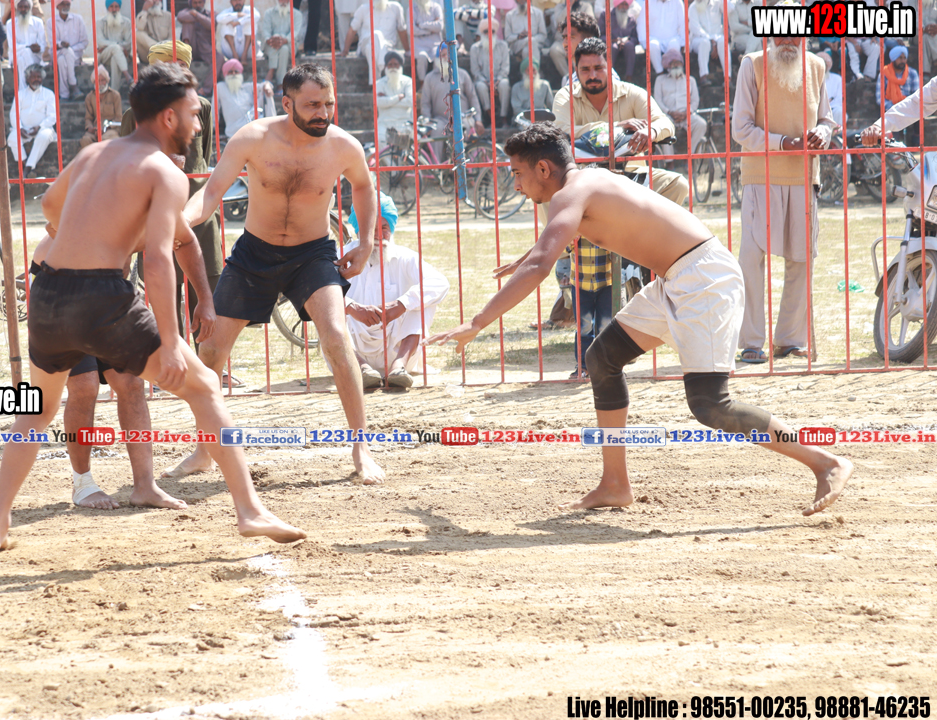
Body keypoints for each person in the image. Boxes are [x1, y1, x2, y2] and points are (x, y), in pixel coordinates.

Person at [427, 122, 853, 517]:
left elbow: (542, 264)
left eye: (518, 174)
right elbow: (557, 240)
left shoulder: (571, 192)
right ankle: (615, 484)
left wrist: (477, 323)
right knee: (602, 359)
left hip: (702, 279)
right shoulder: (585, 182)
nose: (516, 185)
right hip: (678, 277)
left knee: (710, 404)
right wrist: (529, 257)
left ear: (543, 168)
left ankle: (824, 462)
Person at [0, 63, 305, 552]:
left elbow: (49, 205)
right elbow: (157, 260)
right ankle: (250, 511)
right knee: (204, 385)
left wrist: (89, 231)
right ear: (169, 117)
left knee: (35, 413)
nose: (199, 124)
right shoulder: (165, 172)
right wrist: (170, 342)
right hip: (101, 297)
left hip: (48, 293)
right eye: (194, 113)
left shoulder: (93, 153)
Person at [173, 64, 386, 485]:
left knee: (336, 337)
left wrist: (365, 243)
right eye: (312, 105)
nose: (322, 113)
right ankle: (204, 449)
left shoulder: (342, 145)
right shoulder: (252, 138)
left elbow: (363, 186)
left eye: (328, 104)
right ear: (287, 103)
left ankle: (361, 448)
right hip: (255, 253)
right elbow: (211, 193)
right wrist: (179, 220)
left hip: (313, 254)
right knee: (210, 349)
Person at [27, 234, 203, 511]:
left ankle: (145, 486)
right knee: (85, 386)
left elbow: (183, 235)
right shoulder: (91, 207)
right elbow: (61, 230)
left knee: (130, 383)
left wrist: (203, 297)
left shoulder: (150, 211)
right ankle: (83, 484)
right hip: (64, 294)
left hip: (112, 295)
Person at [119, 40, 230, 394]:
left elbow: (203, 157)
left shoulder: (202, 108)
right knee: (162, 287)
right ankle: (170, 365)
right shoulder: (134, 114)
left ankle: (210, 367)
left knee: (205, 284)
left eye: (176, 67)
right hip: (153, 210)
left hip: (195, 207)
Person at [732, 35, 833, 364]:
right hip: (760, 175)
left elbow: (827, 119)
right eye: (781, 33)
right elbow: (740, 129)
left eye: (795, 34)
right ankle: (751, 341)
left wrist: (823, 133)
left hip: (804, 175)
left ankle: (789, 340)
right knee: (751, 258)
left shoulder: (816, 66)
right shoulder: (752, 65)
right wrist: (783, 143)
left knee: (801, 259)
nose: (788, 40)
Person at [553, 38, 688, 205]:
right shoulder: (565, 96)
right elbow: (560, 131)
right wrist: (615, 126)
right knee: (549, 189)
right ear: (576, 70)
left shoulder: (633, 93)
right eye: (585, 70)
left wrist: (651, 131)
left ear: (609, 66)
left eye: (598, 68)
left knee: (678, 185)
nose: (592, 75)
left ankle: (645, 222)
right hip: (582, 178)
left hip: (631, 177)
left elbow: (665, 123)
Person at [344, 193, 449, 388]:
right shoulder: (341, 256)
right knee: (326, 310)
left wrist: (401, 304)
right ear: (359, 230)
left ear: (391, 229)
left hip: (395, 347)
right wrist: (352, 308)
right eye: (371, 229)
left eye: (384, 228)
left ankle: (398, 368)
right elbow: (318, 292)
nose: (378, 235)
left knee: (420, 299)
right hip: (349, 351)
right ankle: (361, 368)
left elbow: (441, 283)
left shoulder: (405, 257)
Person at [8, 64, 59, 179]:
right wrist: (20, 128)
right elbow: (13, 114)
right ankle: (24, 162)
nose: (36, 79)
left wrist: (39, 127)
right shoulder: (20, 94)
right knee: (12, 138)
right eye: (33, 77)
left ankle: (27, 169)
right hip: (23, 130)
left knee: (44, 136)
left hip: (42, 129)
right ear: (27, 79)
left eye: (39, 77)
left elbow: (52, 116)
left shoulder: (49, 94)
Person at [653, 48, 705, 153]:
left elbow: (695, 101)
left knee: (701, 124)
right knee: (662, 126)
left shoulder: (690, 80)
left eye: (678, 62)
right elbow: (657, 100)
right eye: (673, 63)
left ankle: (691, 156)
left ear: (682, 64)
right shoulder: (660, 80)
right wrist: (669, 112)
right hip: (668, 115)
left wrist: (686, 113)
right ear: (668, 65)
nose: (676, 65)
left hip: (686, 115)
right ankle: (669, 160)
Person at [343, 0, 409, 79]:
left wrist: (408, 50)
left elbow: (402, 30)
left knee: (371, 49)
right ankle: (382, 67)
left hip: (387, 47)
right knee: (376, 35)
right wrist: (345, 51)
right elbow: (352, 30)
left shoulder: (395, 8)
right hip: (366, 42)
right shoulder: (363, 9)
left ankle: (375, 82)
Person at [216, 58, 277, 138]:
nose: (233, 74)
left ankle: (273, 126)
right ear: (225, 74)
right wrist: (212, 126)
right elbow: (214, 108)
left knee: (266, 91)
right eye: (230, 72)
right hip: (234, 129)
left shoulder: (247, 87)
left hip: (252, 123)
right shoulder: (221, 87)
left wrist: (267, 86)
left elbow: (263, 85)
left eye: (236, 71)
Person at [470, 18, 511, 123]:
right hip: (483, 80)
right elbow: (475, 71)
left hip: (499, 80)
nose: (489, 34)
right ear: (482, 33)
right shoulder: (475, 48)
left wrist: (496, 82)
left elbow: (505, 67)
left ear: (495, 32)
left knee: (504, 84)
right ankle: (490, 116)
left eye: (491, 31)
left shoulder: (503, 46)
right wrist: (487, 83)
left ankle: (504, 117)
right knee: (480, 86)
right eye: (486, 31)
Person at [47, 0, 87, 100]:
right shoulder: (50, 22)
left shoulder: (78, 19)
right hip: (58, 52)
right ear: (57, 6)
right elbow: (53, 44)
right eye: (62, 4)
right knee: (64, 54)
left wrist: (70, 49)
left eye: (67, 4)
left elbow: (84, 42)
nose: (65, 6)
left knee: (62, 60)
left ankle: (64, 94)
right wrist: (61, 45)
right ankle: (73, 85)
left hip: (75, 55)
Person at [178, 0, 219, 94]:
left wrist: (196, 15)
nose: (198, 5)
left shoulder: (212, 13)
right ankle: (186, 52)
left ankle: (206, 89)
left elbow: (211, 25)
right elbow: (180, 16)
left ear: (204, 3)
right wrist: (202, 19)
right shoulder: (187, 11)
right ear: (191, 3)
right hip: (191, 48)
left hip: (206, 49)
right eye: (195, 3)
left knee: (219, 58)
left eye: (200, 2)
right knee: (187, 23)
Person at [260, 0, 305, 85]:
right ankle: (281, 83)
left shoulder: (297, 14)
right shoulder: (269, 13)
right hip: (271, 44)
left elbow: (295, 32)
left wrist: (284, 40)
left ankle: (271, 71)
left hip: (289, 44)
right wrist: (270, 40)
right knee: (282, 48)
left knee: (284, 48)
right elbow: (266, 31)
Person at [375, 51, 415, 140]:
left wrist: (387, 100)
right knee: (381, 141)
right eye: (390, 64)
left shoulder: (408, 82)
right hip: (384, 123)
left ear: (400, 66)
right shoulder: (379, 83)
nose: (393, 67)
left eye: (395, 64)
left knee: (408, 144)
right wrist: (398, 98)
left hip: (404, 123)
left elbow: (410, 101)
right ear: (386, 67)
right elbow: (379, 102)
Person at [596, 0, 640, 81]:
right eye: (622, 4)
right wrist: (612, 40)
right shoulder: (605, 15)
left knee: (630, 45)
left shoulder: (631, 18)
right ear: (617, 4)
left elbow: (635, 38)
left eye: (626, 4)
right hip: (610, 43)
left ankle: (629, 77)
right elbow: (600, 35)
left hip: (625, 44)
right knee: (613, 47)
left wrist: (626, 41)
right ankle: (609, 77)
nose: (624, 7)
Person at [637, 0, 684, 75]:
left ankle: (671, 74)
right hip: (653, 38)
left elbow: (683, 23)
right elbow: (642, 23)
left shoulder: (677, 2)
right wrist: (644, 42)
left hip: (673, 37)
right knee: (652, 45)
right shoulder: (648, 2)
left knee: (674, 45)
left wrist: (683, 43)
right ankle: (660, 73)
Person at [80, 65, 122, 147]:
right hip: (95, 130)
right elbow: (88, 118)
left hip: (111, 130)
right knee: (85, 140)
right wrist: (91, 128)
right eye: (98, 81)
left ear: (107, 80)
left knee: (105, 139)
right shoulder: (89, 97)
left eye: (103, 80)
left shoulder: (115, 95)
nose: (100, 83)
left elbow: (119, 118)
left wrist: (106, 127)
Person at [97, 0, 133, 92]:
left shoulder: (126, 22)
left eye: (116, 6)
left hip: (122, 56)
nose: (114, 9)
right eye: (111, 6)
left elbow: (128, 43)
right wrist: (119, 45)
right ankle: (127, 76)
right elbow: (100, 42)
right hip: (105, 56)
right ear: (107, 8)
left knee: (115, 59)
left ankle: (114, 92)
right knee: (115, 48)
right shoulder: (100, 22)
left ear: (119, 8)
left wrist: (108, 45)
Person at [689, 0, 729, 82]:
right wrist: (711, 40)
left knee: (723, 42)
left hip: (717, 37)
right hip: (699, 39)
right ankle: (703, 76)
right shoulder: (693, 7)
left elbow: (731, 8)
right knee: (705, 43)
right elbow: (696, 28)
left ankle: (728, 77)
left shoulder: (717, 3)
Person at [217, 0, 261, 68]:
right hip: (230, 51)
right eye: (235, 0)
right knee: (225, 23)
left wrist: (239, 22)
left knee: (251, 22)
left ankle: (244, 54)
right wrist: (237, 15)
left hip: (249, 50)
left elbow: (257, 16)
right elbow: (218, 18)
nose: (237, 3)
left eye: (240, 0)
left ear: (244, 1)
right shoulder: (227, 11)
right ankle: (235, 54)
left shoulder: (249, 9)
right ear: (231, 2)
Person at [4, 0, 46, 72]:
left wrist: (38, 48)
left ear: (30, 8)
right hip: (16, 55)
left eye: (25, 7)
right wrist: (28, 47)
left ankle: (25, 79)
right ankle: (32, 75)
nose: (23, 9)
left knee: (22, 60)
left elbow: (43, 44)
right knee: (26, 52)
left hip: (35, 56)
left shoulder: (38, 22)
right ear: (17, 8)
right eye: (20, 7)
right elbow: (12, 46)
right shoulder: (10, 23)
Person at [504, 0, 548, 65]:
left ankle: (529, 70)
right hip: (518, 46)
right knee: (530, 41)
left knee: (527, 49)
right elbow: (507, 37)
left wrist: (531, 38)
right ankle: (535, 69)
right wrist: (518, 36)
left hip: (535, 44)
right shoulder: (510, 15)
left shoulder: (538, 13)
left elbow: (543, 35)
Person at [411, 0, 445, 81]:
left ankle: (435, 83)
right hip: (419, 45)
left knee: (438, 58)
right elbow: (412, 30)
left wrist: (421, 25)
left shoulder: (436, 7)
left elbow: (440, 26)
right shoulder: (412, 9)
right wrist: (431, 29)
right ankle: (422, 84)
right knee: (422, 57)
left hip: (435, 45)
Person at [879, 45, 918, 112]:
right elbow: (880, 98)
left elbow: (916, 96)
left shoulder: (912, 73)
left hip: (908, 110)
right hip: (890, 110)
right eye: (900, 58)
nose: (902, 61)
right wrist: (894, 109)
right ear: (893, 59)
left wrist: (905, 108)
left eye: (904, 58)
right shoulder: (884, 74)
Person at [818, 51, 845, 127]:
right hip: (816, 109)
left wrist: (827, 104)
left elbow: (839, 99)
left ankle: (837, 132)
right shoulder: (810, 79)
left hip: (832, 108)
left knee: (840, 111)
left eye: (826, 64)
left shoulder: (837, 79)